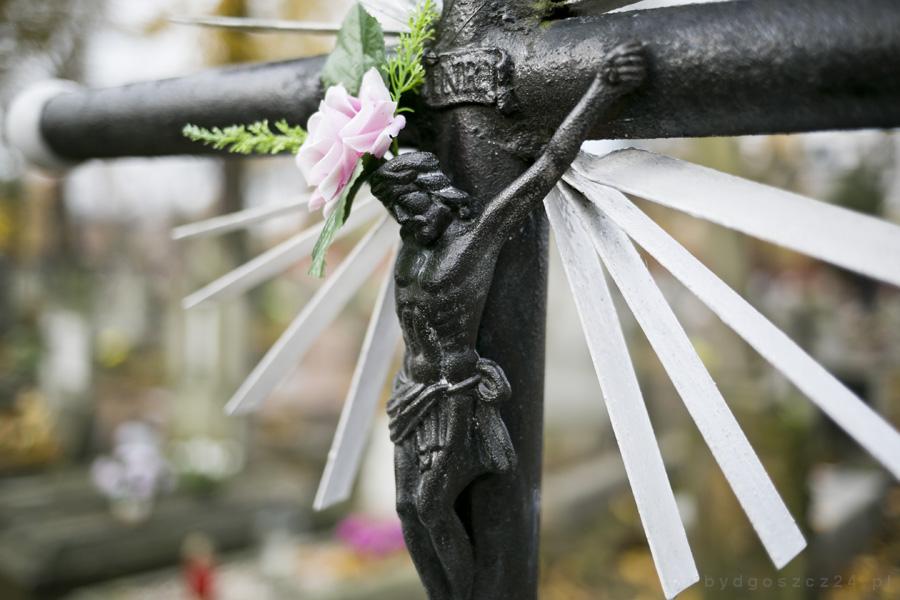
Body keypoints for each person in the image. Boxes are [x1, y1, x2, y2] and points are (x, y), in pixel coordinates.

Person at [369, 41, 648, 600]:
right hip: (411, 392)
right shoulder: (412, 247)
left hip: (453, 393)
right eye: (397, 210)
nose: (407, 218)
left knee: (431, 505)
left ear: (437, 194)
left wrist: (602, 90)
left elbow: (545, 169)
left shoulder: (475, 240)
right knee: (405, 508)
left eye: (412, 205)